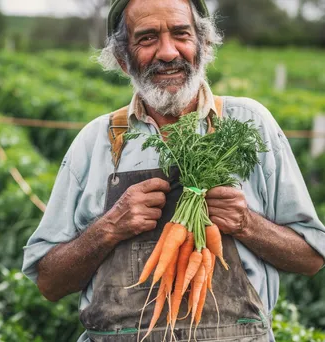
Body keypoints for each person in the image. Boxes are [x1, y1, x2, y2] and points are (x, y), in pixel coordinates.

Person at [22, 0, 325, 341]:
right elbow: (49, 282)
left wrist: (247, 223)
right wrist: (109, 227)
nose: (168, 53)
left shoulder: (251, 123)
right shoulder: (96, 142)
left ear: (203, 45)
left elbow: (312, 257)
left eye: (181, 34)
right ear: (123, 60)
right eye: (147, 38)